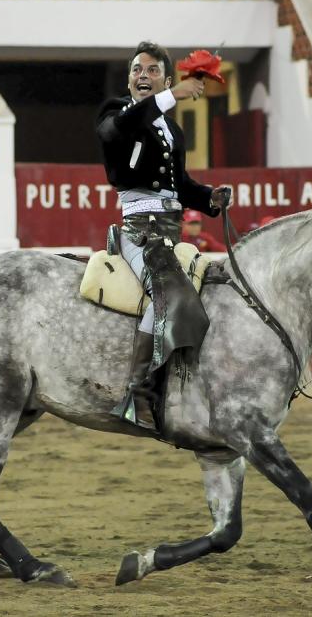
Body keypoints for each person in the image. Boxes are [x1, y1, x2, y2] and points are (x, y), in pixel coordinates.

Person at [96, 41, 231, 430]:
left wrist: (210, 198)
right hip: (139, 232)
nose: (143, 75)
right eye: (138, 69)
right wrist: (173, 95)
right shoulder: (114, 111)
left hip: (170, 233)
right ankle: (136, 390)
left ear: (165, 78)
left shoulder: (171, 129)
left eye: (153, 70)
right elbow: (119, 129)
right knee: (167, 295)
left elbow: (180, 185)